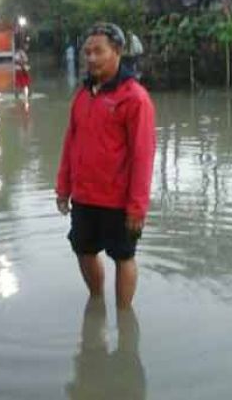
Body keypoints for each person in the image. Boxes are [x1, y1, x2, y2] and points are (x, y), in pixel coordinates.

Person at [55, 22, 156, 309]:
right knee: (83, 250)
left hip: (119, 200)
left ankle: (125, 319)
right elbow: (69, 144)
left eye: (98, 51)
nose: (91, 58)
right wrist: (63, 188)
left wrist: (137, 207)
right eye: (87, 52)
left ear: (118, 52)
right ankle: (96, 301)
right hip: (85, 196)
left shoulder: (135, 98)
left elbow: (143, 156)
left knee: (123, 256)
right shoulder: (82, 96)